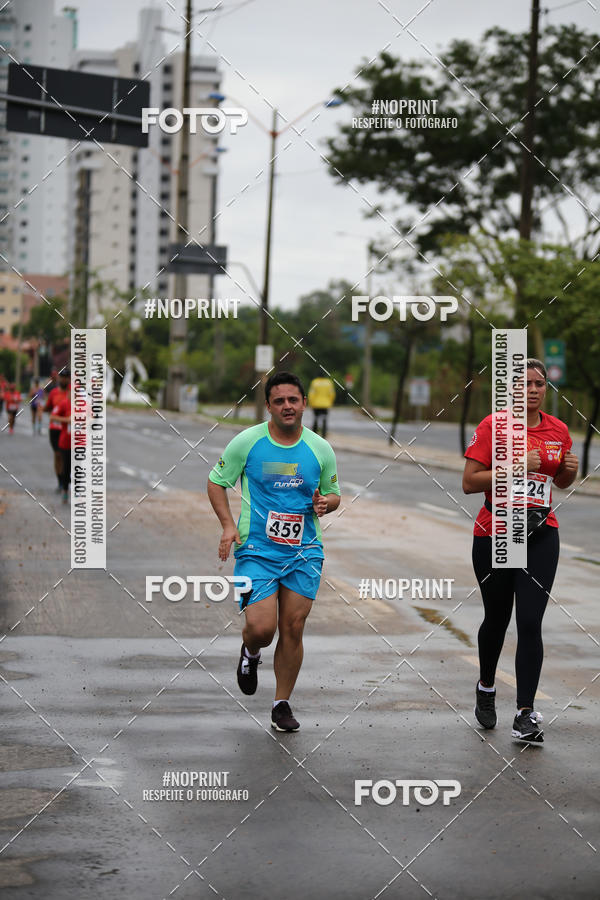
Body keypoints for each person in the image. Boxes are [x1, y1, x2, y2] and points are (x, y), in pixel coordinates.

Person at [207, 371, 341, 732]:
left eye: (292, 400)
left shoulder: (319, 448)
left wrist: (325, 503)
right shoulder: (247, 443)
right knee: (262, 628)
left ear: (304, 404)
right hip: (257, 549)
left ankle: (281, 703)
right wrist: (227, 525)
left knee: (293, 627)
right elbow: (217, 482)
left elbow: (334, 493)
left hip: (305, 550)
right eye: (279, 400)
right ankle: (250, 652)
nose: (286, 406)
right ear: (268, 405)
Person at [463, 359, 578, 744]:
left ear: (546, 389)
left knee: (530, 622)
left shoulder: (558, 429)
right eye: (524, 383)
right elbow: (469, 482)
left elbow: (558, 480)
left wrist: (569, 471)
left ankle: (525, 713)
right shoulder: (492, 426)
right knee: (497, 618)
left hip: (542, 533)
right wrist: (513, 467)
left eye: (539, 383)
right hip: (495, 532)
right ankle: (486, 686)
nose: (532, 389)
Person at [45, 370, 69, 493]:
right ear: (59, 378)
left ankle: (66, 476)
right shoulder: (53, 393)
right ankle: (60, 481)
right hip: (55, 429)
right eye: (62, 377)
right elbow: (47, 407)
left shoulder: (73, 392)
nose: (64, 380)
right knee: (58, 455)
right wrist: (42, 408)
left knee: (68, 456)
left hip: (69, 430)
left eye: (66, 377)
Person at [50, 384, 71, 504]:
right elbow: (53, 416)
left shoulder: (84, 405)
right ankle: (65, 489)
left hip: (80, 442)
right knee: (66, 466)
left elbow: (93, 417)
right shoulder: (64, 404)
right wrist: (66, 420)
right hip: (65, 441)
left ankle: (79, 492)